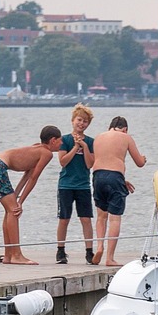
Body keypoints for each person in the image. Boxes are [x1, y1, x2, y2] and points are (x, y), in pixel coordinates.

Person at [0, 126, 64, 265]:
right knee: (14, 211)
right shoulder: (46, 153)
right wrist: (20, 203)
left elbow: (27, 175)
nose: (62, 144)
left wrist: (17, 197)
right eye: (60, 141)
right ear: (53, 140)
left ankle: (8, 255)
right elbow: (33, 178)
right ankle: (17, 255)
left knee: (10, 211)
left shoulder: (37, 149)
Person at [90, 116, 148, 267]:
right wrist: (144, 158)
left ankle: (99, 247)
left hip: (98, 176)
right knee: (114, 219)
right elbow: (139, 163)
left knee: (101, 217)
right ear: (125, 129)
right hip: (115, 177)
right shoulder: (125, 137)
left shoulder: (98, 137)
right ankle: (109, 258)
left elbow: (100, 162)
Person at [55, 104, 97, 265]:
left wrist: (84, 146)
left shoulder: (91, 141)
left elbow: (89, 164)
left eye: (85, 121)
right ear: (73, 120)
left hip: (83, 185)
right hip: (66, 185)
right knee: (64, 218)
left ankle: (89, 251)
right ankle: (60, 250)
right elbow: (63, 161)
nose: (82, 124)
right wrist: (75, 147)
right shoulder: (64, 140)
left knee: (86, 218)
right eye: (79, 120)